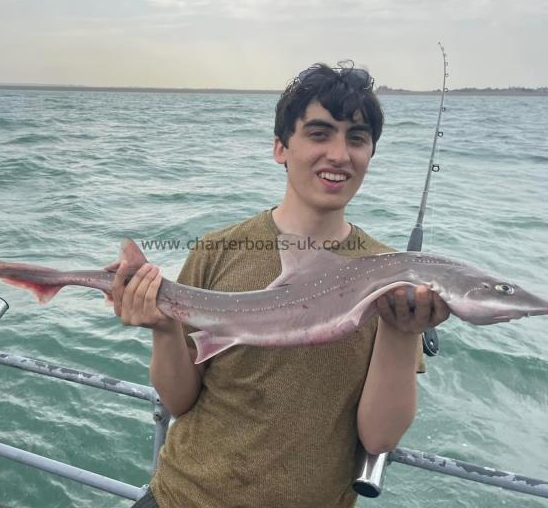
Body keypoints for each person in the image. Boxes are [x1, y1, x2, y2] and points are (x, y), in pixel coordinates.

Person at [114, 62, 450, 508]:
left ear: (370, 152)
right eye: (318, 133)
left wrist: (400, 328)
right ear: (280, 148)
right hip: (182, 495)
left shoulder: (393, 279)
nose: (339, 154)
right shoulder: (217, 250)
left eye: (357, 138)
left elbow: (379, 435)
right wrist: (162, 329)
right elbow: (180, 400)